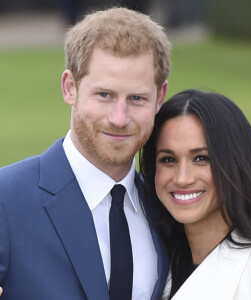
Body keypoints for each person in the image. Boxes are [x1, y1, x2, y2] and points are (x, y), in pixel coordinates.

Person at [0, 7, 171, 299]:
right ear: (70, 88)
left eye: (137, 98)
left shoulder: (168, 209)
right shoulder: (6, 199)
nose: (119, 117)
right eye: (104, 95)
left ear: (160, 98)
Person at [140, 89, 251, 300]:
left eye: (201, 158)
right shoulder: (157, 265)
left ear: (236, 164)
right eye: (169, 160)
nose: (182, 178)